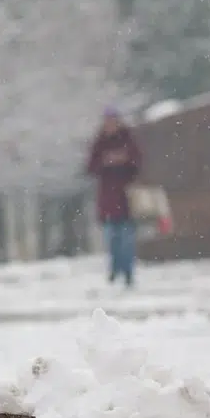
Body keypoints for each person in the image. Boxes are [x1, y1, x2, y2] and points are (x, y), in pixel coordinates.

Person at [86, 106, 143, 287]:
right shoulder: (100, 143)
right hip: (108, 202)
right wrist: (105, 162)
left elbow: (138, 163)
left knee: (127, 241)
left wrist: (124, 160)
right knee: (112, 240)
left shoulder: (128, 140)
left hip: (127, 200)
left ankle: (127, 273)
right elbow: (90, 167)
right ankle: (115, 268)